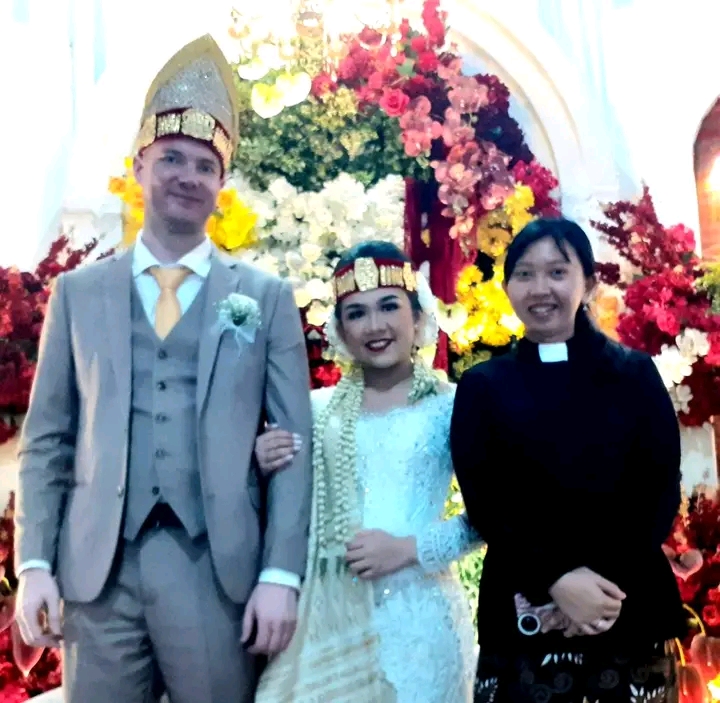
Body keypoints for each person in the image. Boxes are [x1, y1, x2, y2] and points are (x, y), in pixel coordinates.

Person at [13, 35, 312, 703]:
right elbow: (48, 440)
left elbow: (294, 446)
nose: (187, 175)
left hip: (216, 571)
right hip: (98, 574)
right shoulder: (77, 293)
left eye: (205, 165)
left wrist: (280, 575)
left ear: (221, 185)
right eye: (171, 157)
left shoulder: (264, 297)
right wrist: (33, 562)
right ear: (139, 165)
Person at [451, 217, 685, 703]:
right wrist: (555, 581)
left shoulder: (634, 374)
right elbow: (486, 502)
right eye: (525, 274)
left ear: (589, 283)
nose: (541, 289)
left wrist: (599, 591)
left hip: (628, 609)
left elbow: (659, 490)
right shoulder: (483, 387)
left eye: (558, 272)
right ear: (507, 287)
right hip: (521, 614)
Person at [252, 241, 480, 702]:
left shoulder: (454, 407)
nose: (375, 326)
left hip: (419, 623)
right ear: (340, 329)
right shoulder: (313, 411)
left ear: (417, 315)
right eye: (356, 313)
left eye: (389, 306)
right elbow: (278, 511)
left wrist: (408, 548)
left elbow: (492, 516)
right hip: (324, 625)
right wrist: (258, 462)